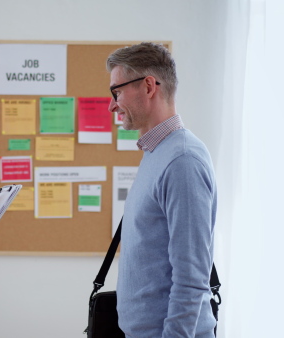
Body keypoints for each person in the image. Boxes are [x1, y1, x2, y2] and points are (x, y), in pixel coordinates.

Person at [107, 43, 217, 337]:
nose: (112, 104)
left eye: (116, 92)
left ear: (148, 86)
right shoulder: (157, 153)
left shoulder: (182, 160)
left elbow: (192, 278)